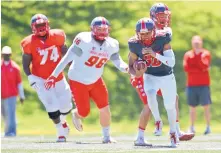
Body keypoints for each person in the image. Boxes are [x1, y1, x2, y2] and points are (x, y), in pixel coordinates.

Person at [44, 16, 128, 143]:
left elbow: (117, 60)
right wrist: (53, 75)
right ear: (92, 29)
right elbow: (67, 58)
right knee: (84, 112)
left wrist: (125, 68)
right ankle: (76, 114)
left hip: (96, 80)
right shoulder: (84, 40)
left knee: (104, 107)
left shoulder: (112, 44)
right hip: (78, 80)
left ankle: (106, 137)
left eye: (105, 29)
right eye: (99, 29)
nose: (102, 32)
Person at [130, 2, 194, 141]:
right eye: (160, 15)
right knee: (149, 103)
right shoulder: (144, 28)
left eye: (165, 15)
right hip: (144, 72)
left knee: (173, 98)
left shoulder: (165, 33)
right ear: (153, 16)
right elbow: (134, 53)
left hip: (159, 71)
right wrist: (135, 71)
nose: (164, 18)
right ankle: (140, 136)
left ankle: (176, 131)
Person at [20, 14, 73, 142]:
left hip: (58, 76)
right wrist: (30, 77)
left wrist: (72, 66)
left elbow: (65, 53)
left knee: (66, 106)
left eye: (43, 25)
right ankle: (60, 131)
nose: (41, 28)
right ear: (33, 27)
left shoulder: (58, 36)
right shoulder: (28, 43)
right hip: (41, 78)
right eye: (38, 26)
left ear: (48, 25)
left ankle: (63, 121)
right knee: (51, 105)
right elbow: (25, 64)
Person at [128, 17, 177, 147]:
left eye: (147, 33)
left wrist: (155, 54)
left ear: (154, 31)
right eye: (141, 34)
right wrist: (137, 72)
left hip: (166, 76)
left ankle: (173, 132)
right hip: (150, 76)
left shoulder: (162, 39)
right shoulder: (134, 44)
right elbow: (131, 67)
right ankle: (158, 121)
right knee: (149, 94)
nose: (144, 36)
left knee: (169, 106)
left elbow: (171, 62)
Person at [183, 35, 212, 135]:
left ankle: (208, 127)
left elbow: (205, 66)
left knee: (206, 106)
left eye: (198, 42)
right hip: (191, 85)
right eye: (194, 42)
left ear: (201, 43)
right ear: (192, 43)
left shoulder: (206, 53)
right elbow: (187, 68)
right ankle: (192, 127)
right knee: (192, 107)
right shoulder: (188, 54)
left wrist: (198, 56)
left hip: (204, 84)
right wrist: (199, 70)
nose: (196, 44)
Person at [1, 46, 25, 137]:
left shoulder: (15, 68)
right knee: (3, 114)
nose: (6, 56)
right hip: (1, 94)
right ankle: (8, 130)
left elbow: (19, 83)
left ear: (10, 55)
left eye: (7, 54)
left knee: (10, 113)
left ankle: (11, 132)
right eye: (4, 54)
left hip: (11, 95)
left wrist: (21, 96)